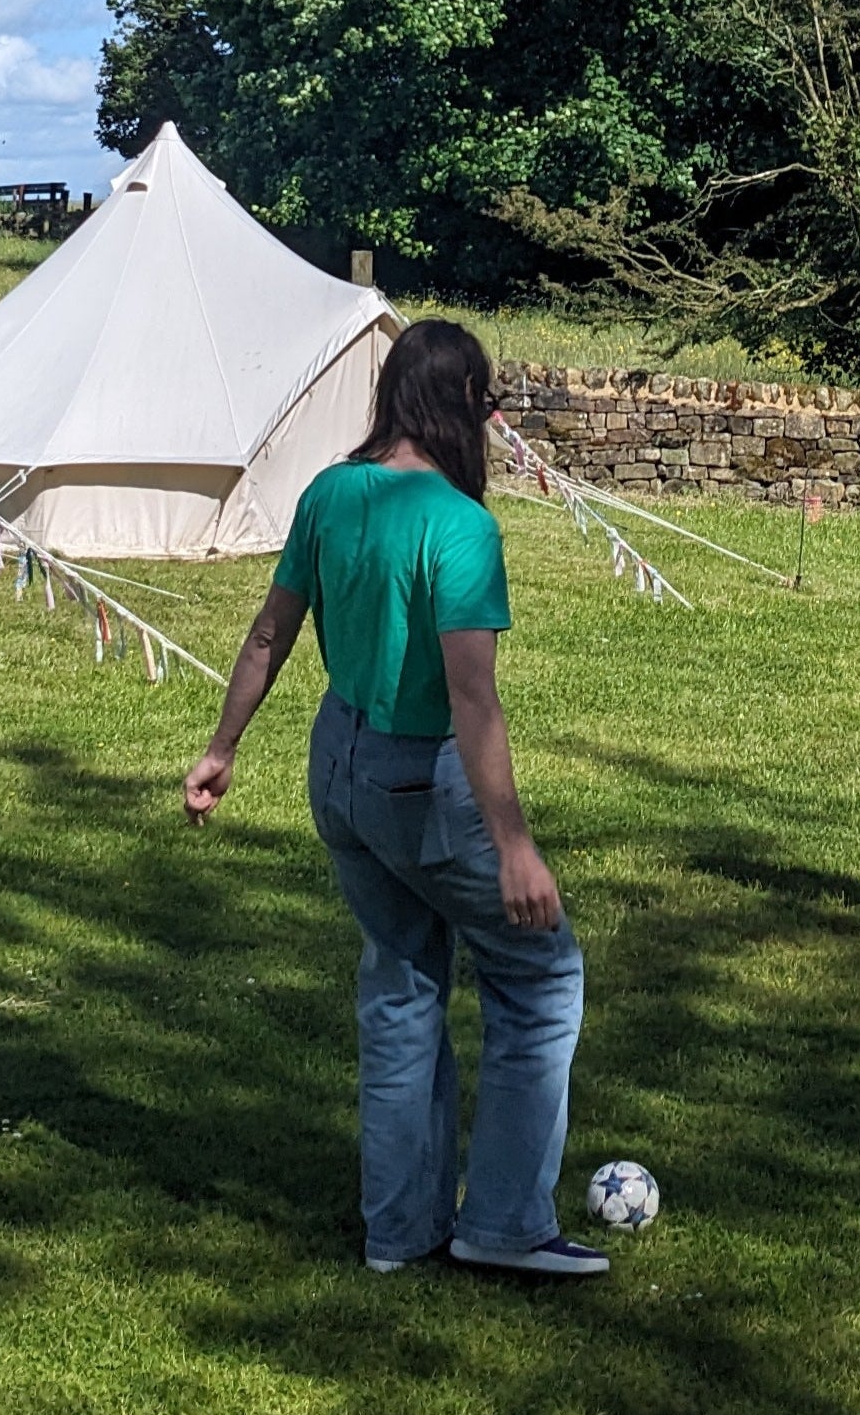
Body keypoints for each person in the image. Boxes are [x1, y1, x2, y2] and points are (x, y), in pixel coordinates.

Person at [183, 319, 605, 1279]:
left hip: (336, 766)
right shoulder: (460, 525)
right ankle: (504, 1226)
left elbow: (265, 636)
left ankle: (399, 1234)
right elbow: (471, 699)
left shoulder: (331, 494)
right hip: (421, 781)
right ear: (464, 403)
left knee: (404, 984)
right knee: (540, 979)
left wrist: (221, 749)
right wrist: (513, 846)